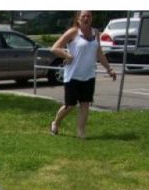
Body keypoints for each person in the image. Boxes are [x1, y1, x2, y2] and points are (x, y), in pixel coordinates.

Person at [49, 11, 117, 140]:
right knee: (70, 105)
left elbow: (99, 54)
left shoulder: (95, 33)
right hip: (72, 76)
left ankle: (81, 133)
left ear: (92, 18)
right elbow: (54, 48)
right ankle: (56, 123)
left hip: (89, 76)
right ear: (78, 19)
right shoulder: (73, 32)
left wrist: (109, 69)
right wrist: (67, 55)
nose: (86, 18)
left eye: (89, 16)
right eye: (83, 16)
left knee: (85, 105)